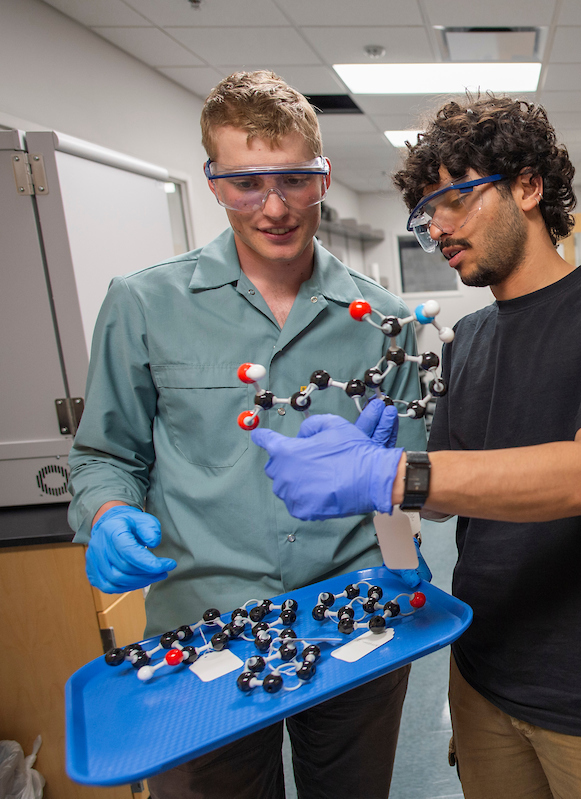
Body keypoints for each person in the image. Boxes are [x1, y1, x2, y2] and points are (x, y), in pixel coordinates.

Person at [252, 95, 581, 799]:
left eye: (454, 198)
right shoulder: (472, 339)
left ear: (527, 185)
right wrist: (388, 509)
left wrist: (394, 473)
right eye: (427, 216)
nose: (440, 228)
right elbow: (449, 501)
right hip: (483, 673)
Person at [67, 71, 428, 799]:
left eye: (294, 179)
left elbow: (414, 480)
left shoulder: (384, 319)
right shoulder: (142, 304)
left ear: (323, 177)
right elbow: (105, 453)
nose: (274, 206)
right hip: (203, 630)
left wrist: (400, 487)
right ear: (211, 181)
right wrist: (106, 514)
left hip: (351, 621)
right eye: (245, 183)